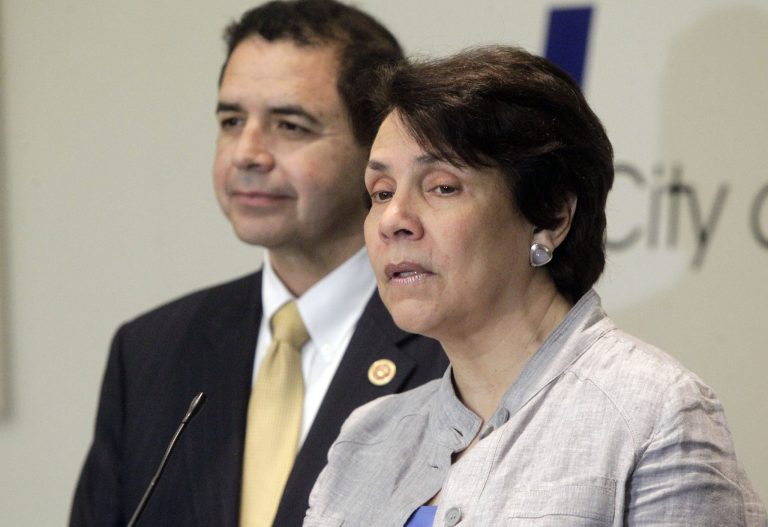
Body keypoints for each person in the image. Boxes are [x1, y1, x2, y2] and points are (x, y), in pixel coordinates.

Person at [304, 46, 767, 526]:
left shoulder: (653, 412)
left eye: (441, 186)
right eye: (380, 193)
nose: (394, 219)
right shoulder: (366, 439)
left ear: (551, 216)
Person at [69, 1, 447, 526]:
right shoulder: (150, 352)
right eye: (231, 120)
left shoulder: (450, 344)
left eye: (289, 126)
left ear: (377, 145)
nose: (247, 152)